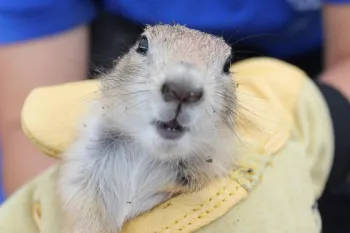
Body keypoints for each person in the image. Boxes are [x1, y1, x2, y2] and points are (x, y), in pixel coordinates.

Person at [0, 0, 350, 230]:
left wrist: (318, 115)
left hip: (305, 64)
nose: (183, 89)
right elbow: (22, 123)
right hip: (108, 38)